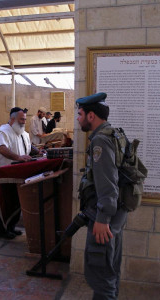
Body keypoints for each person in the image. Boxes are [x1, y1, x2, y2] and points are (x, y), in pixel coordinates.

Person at [76, 92, 128, 300]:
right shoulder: (114, 133)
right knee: (109, 270)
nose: (78, 118)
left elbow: (107, 184)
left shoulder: (100, 140)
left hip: (105, 217)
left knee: (101, 273)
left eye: (80, 114)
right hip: (115, 213)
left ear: (91, 116)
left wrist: (102, 218)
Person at [0, 107, 41, 239]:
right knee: (5, 202)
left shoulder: (22, 132)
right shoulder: (3, 131)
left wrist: (39, 152)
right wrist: (18, 157)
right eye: (21, 119)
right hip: (4, 175)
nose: (24, 121)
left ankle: (11, 227)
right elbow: (1, 148)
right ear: (12, 119)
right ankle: (1, 230)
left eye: (24, 119)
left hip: (18, 173)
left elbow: (28, 146)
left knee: (17, 202)